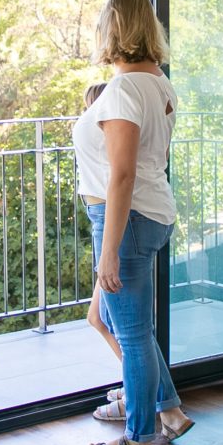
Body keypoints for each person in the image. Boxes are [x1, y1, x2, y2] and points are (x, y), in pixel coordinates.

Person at [72, 0, 194, 445]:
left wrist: (109, 251)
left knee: (132, 335)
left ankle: (138, 440)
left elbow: (121, 175)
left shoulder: (124, 90)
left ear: (112, 29)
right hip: (149, 212)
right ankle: (170, 412)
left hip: (127, 219)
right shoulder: (158, 83)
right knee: (124, 324)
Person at [81, 81, 125, 410]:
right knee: (97, 317)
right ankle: (139, 386)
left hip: (108, 219)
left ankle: (149, 396)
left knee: (118, 323)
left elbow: (120, 177)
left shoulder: (109, 130)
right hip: (101, 216)